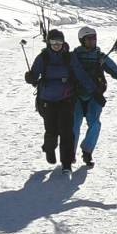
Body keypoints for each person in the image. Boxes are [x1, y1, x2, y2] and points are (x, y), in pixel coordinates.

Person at [68, 26, 117, 166]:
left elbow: (116, 72)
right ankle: (69, 155)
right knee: (74, 125)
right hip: (76, 96)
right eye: (90, 38)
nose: (93, 41)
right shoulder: (73, 57)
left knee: (95, 124)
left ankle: (87, 151)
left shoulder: (101, 57)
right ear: (82, 40)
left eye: (95, 38)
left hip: (95, 97)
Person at [24, 30, 96, 169]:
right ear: (49, 43)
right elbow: (35, 74)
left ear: (63, 43)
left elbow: (81, 75)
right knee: (51, 130)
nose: (57, 45)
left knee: (67, 131)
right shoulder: (43, 58)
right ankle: (49, 148)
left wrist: (94, 90)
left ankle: (67, 163)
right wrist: (30, 77)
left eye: (59, 42)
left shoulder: (69, 57)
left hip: (66, 98)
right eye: (53, 43)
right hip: (47, 99)